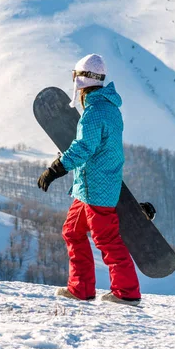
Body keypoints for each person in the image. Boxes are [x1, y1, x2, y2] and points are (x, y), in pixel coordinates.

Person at [37, 54, 142, 306]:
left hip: (97, 188)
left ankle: (127, 292)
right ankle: (81, 288)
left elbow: (85, 147)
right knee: (72, 231)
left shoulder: (95, 112)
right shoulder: (110, 109)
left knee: (107, 239)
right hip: (88, 186)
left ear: (80, 81)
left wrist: (56, 168)